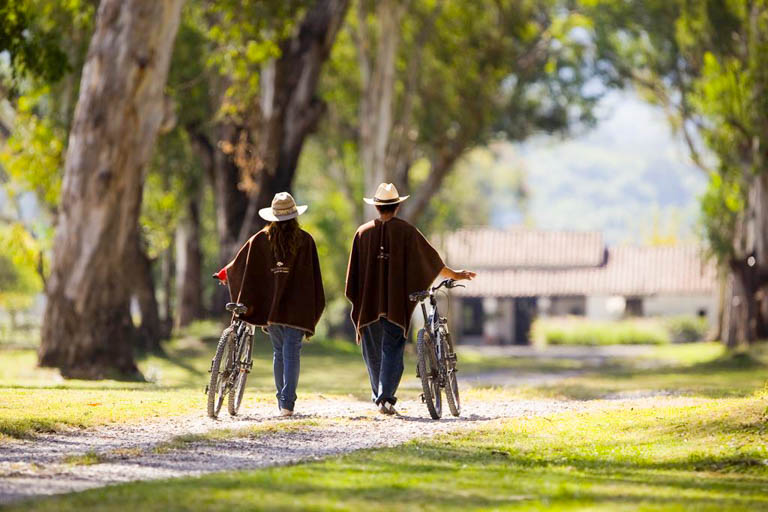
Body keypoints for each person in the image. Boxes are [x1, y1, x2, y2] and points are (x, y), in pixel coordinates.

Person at [345, 183, 475, 415]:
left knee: (372, 350)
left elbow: (352, 277)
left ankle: (381, 397)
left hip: (369, 305)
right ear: (396, 207)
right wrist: (455, 274)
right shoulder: (407, 231)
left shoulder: (362, 233)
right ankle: (384, 398)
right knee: (393, 349)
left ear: (376, 206)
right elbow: (432, 262)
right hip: (395, 305)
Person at [216, 192, 325, 417]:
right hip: (297, 309)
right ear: (294, 216)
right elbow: (313, 278)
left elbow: (239, 264)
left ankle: (282, 401)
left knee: (279, 351)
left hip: (272, 308)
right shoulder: (305, 240)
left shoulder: (259, 240)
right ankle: (287, 403)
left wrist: (224, 273)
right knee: (291, 351)